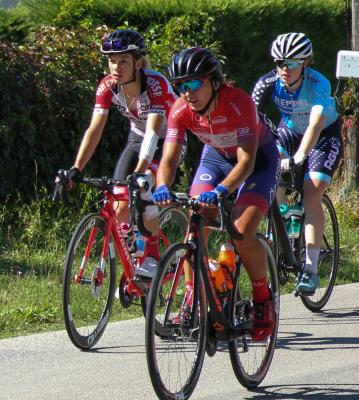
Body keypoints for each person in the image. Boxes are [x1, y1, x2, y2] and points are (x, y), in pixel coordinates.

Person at [152, 47, 280, 341]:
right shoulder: (181, 110)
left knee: (240, 229)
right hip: (216, 159)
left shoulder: (239, 103)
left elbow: (246, 161)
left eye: (194, 84)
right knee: (196, 223)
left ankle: (262, 298)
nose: (187, 92)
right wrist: (161, 186)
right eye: (180, 86)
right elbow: (169, 159)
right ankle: (191, 300)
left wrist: (223, 191)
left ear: (214, 81)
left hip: (257, 160)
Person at [64, 28, 177, 278]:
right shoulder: (107, 86)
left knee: (144, 187)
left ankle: (152, 255)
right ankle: (132, 259)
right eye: (111, 61)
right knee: (119, 199)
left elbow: (153, 132)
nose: (116, 67)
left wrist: (139, 172)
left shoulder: (156, 84)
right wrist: (76, 168)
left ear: (138, 62)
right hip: (137, 137)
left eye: (123, 61)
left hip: (167, 137)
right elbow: (95, 129)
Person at [252, 32, 343, 294]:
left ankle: (311, 270)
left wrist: (300, 157)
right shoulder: (268, 82)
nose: (284, 69)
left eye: (291, 63)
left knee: (311, 191)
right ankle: (283, 223)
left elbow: (315, 125)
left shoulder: (318, 84)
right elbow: (249, 115)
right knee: (271, 176)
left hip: (323, 135)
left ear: (305, 63)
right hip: (289, 131)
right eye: (280, 63)